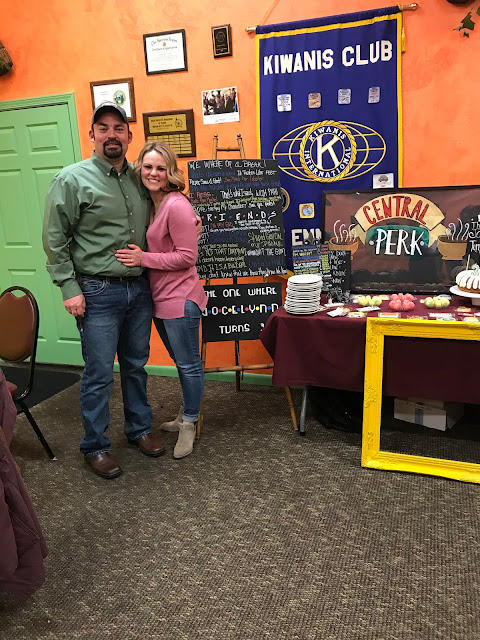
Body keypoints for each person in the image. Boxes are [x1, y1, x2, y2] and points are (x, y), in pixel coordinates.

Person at [42, 102, 166, 479]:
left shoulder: (141, 176)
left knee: (136, 366)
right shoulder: (71, 179)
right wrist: (69, 287)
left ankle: (139, 428)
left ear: (129, 136)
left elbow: (165, 208)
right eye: (103, 128)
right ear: (92, 135)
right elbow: (54, 238)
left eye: (118, 128)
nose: (111, 134)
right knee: (98, 373)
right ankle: (95, 446)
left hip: (139, 289)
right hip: (96, 291)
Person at [115, 141, 207, 460]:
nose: (153, 173)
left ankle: (190, 424)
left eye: (160, 168)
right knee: (182, 363)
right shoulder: (151, 203)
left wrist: (144, 258)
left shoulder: (176, 205)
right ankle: (186, 414)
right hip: (160, 299)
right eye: (148, 166)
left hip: (181, 299)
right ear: (139, 168)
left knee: (188, 365)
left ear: (170, 173)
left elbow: (187, 257)